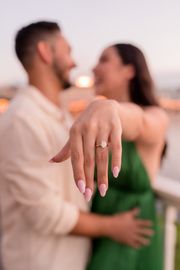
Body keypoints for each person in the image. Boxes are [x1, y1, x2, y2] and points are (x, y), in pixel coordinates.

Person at [0, 22, 153, 270]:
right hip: (41, 262)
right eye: (68, 51)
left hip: (71, 259)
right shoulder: (21, 119)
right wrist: (111, 227)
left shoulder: (59, 115)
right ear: (45, 52)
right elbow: (44, 213)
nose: (74, 63)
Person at [88, 44, 169, 269]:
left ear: (129, 71)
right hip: (102, 226)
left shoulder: (156, 116)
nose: (93, 68)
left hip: (133, 232)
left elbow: (141, 122)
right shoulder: (100, 124)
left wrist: (111, 109)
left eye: (103, 60)